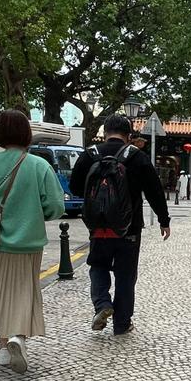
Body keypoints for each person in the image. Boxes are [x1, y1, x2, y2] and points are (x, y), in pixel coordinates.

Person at [0, 109, 65, 374]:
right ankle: (18, 337)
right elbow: (55, 206)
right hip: (28, 243)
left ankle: (4, 346)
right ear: (27, 134)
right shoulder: (39, 166)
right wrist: (36, 213)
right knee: (23, 291)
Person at [69, 115, 170, 337]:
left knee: (98, 266)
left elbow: (75, 187)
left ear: (105, 132)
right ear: (129, 135)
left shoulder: (89, 155)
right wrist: (164, 220)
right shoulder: (137, 157)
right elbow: (154, 191)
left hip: (98, 227)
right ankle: (122, 324)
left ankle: (102, 304)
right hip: (129, 229)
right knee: (126, 275)